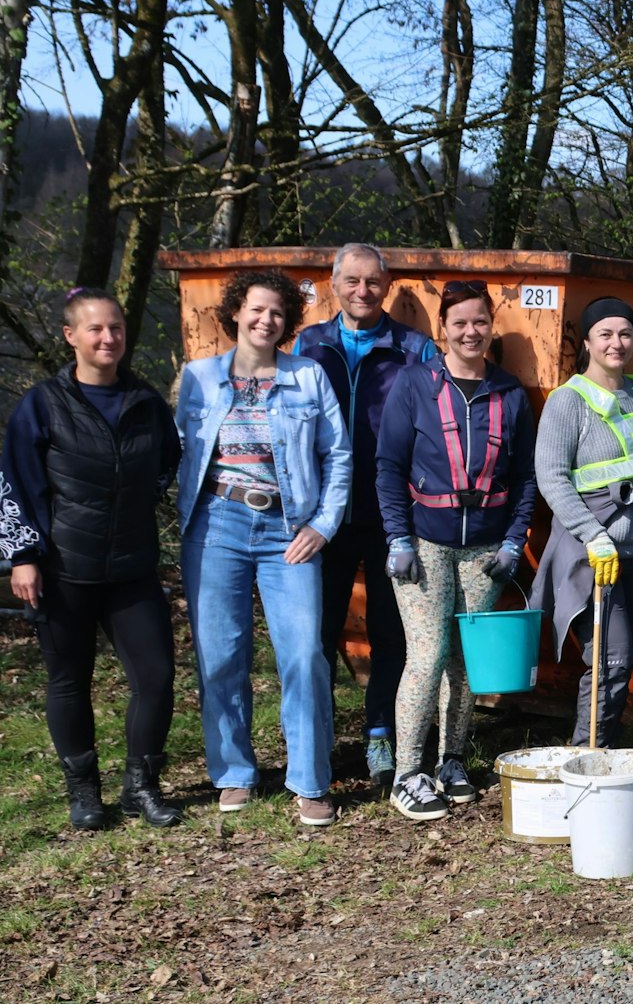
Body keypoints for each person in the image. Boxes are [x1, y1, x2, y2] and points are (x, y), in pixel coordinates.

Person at [0, 289, 182, 829]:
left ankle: (140, 789)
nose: (108, 338)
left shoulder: (146, 401)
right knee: (67, 681)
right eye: (95, 329)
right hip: (62, 569)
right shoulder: (43, 404)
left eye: (117, 328)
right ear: (70, 336)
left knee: (156, 678)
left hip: (132, 568)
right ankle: (85, 795)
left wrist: (138, 503)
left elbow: (168, 461)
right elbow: (12, 482)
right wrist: (22, 557)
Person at [177, 271, 350, 826]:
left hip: (288, 530)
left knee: (303, 653)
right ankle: (232, 772)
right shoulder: (198, 378)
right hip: (216, 525)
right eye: (255, 310)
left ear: (287, 322)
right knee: (222, 653)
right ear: (235, 313)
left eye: (276, 313)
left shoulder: (308, 377)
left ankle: (309, 780)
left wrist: (322, 526)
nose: (265, 320)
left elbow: (338, 456)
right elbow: (177, 454)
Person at [376, 281, 539, 818]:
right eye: (459, 322)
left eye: (479, 322)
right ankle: (407, 772)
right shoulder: (414, 384)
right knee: (425, 657)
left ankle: (451, 760)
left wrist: (516, 540)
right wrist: (398, 537)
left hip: (486, 548)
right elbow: (390, 468)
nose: (470, 332)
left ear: (491, 326)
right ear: (441, 328)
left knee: (466, 663)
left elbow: (525, 478)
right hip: (425, 544)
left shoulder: (510, 393)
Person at [293, 242, 437, 793]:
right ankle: (319, 740)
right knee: (318, 632)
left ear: (388, 286)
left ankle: (380, 732)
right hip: (320, 517)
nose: (362, 291)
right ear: (333, 284)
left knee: (389, 630)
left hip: (390, 516)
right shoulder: (310, 344)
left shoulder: (415, 350)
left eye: (373, 282)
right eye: (351, 281)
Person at [534, 297, 633, 745]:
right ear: (587, 342)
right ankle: (587, 760)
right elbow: (552, 478)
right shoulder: (568, 401)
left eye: (625, 333)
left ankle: (606, 753)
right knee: (609, 662)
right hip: (594, 555)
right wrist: (594, 536)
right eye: (606, 334)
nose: (616, 343)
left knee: (624, 658)